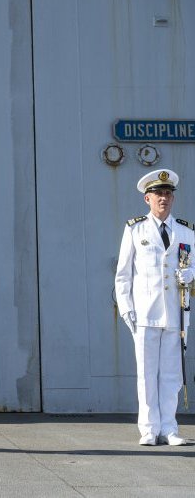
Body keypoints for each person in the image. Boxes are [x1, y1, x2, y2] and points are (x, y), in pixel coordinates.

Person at [115, 168, 194, 446]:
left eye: (168, 194)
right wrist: (126, 308)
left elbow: (192, 265)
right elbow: (123, 274)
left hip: (175, 313)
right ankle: (149, 429)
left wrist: (191, 273)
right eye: (158, 194)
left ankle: (169, 429)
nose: (164, 198)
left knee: (172, 375)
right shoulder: (135, 228)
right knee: (147, 374)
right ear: (147, 199)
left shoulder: (185, 230)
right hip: (145, 313)